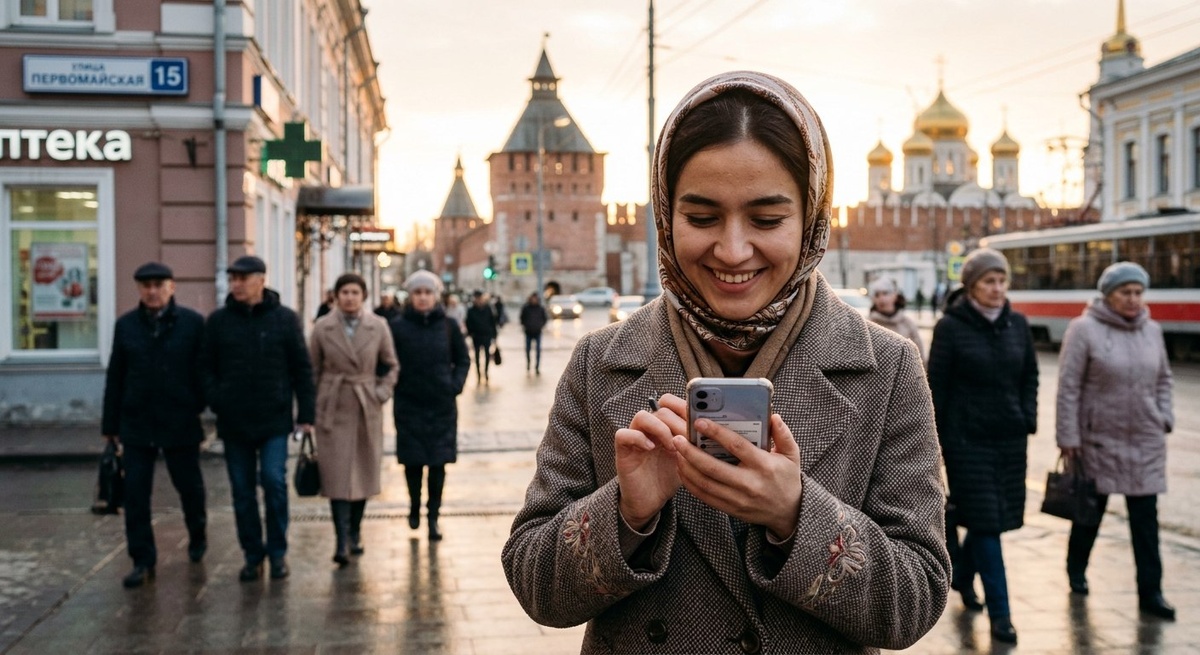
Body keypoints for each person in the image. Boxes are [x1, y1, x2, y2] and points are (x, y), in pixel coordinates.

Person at [502, 71, 949, 652]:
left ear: (812, 216)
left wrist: (796, 516)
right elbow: (537, 588)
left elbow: (915, 601)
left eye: (767, 220)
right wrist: (626, 512)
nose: (733, 251)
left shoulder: (885, 370)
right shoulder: (602, 362)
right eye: (702, 217)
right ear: (665, 215)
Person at [927, 248, 1038, 644]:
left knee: (989, 520)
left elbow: (1029, 376)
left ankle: (964, 575)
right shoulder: (951, 327)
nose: (998, 288)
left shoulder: (1018, 324)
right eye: (989, 281)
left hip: (1009, 441)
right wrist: (935, 440)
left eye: (1002, 281)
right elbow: (934, 387)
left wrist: (1027, 417)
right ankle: (1002, 616)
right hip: (966, 441)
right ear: (971, 287)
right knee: (987, 523)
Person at [1055, 262, 1175, 620]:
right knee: (1089, 513)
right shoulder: (1083, 329)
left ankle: (1151, 593)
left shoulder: (1151, 330)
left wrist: (1164, 417)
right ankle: (1076, 569)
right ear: (1108, 295)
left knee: (1146, 522)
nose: (1133, 300)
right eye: (1126, 293)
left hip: (1146, 439)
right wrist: (1068, 436)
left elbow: (1165, 379)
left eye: (1138, 293)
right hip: (1098, 440)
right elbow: (1069, 387)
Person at [202, 255, 315, 582]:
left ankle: (278, 552)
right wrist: (217, 399)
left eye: (243, 278)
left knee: (274, 483)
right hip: (234, 422)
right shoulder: (219, 322)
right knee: (241, 491)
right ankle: (253, 555)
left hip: (274, 420)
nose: (236, 284)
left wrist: (305, 413)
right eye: (233, 278)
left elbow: (302, 369)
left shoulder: (284, 319)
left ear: (261, 280)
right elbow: (205, 367)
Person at [101, 262, 208, 588]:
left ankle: (198, 533)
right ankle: (142, 560)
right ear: (138, 289)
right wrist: (111, 425)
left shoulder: (191, 323)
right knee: (135, 495)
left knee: (189, 487)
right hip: (137, 422)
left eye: (158, 285)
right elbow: (116, 375)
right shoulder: (127, 326)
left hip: (180, 421)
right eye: (145, 285)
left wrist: (197, 405)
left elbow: (202, 371)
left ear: (172, 287)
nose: (152, 291)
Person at [310, 273, 399, 566]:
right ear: (335, 296)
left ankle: (355, 530)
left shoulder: (378, 326)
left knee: (362, 472)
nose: (349, 297)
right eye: (344, 292)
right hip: (332, 406)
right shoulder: (322, 328)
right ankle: (341, 540)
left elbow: (391, 365)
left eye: (354, 292)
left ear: (363, 296)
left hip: (365, 407)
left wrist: (381, 392)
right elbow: (312, 370)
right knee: (336, 476)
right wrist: (310, 409)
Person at [391, 271, 470, 541]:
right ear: (410, 296)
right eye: (417, 293)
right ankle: (414, 507)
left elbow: (463, 359)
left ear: (436, 296)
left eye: (427, 292)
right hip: (409, 405)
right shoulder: (397, 326)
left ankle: (433, 517)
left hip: (441, 406)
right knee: (412, 464)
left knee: (438, 464)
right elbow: (387, 361)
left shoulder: (448, 325)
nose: (423, 297)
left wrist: (455, 385)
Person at [867, 277, 925, 363]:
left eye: (885, 293)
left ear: (894, 296)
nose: (881, 299)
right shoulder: (867, 325)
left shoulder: (907, 324)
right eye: (877, 295)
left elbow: (920, 357)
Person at [464, 290, 498, 384]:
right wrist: (471, 333)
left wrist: (494, 335)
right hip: (476, 336)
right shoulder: (471, 310)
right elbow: (468, 322)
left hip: (486, 335)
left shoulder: (488, 309)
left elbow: (492, 322)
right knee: (477, 356)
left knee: (487, 355)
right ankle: (479, 374)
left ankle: (486, 373)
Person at [518, 292, 549, 374]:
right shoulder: (526, 308)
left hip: (537, 332)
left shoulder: (540, 308)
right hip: (528, 332)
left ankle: (537, 367)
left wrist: (540, 325)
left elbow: (545, 318)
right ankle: (528, 364)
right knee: (528, 350)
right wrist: (525, 325)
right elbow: (522, 318)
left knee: (538, 350)